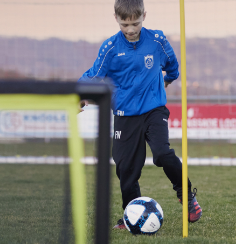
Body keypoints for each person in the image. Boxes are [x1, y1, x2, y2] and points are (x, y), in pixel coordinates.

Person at [78, 0, 202, 229]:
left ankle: (186, 195)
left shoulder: (157, 41)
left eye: (135, 23)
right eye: (125, 24)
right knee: (126, 168)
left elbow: (172, 67)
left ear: (144, 15)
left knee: (163, 154)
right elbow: (94, 75)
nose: (131, 29)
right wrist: (79, 95)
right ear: (116, 18)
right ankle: (130, 215)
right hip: (125, 115)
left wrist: (166, 80)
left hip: (154, 110)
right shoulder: (110, 48)